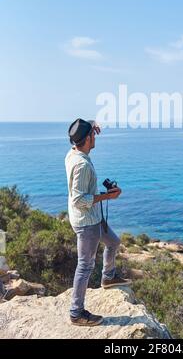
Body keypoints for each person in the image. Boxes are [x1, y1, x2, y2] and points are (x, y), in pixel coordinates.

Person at [65, 118, 131, 326]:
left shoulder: (73, 152)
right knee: (85, 266)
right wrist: (107, 197)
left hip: (93, 217)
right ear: (87, 139)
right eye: (92, 134)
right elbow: (78, 200)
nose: (95, 137)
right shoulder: (82, 164)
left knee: (113, 242)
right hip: (87, 223)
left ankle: (108, 277)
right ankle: (76, 313)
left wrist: (90, 124)